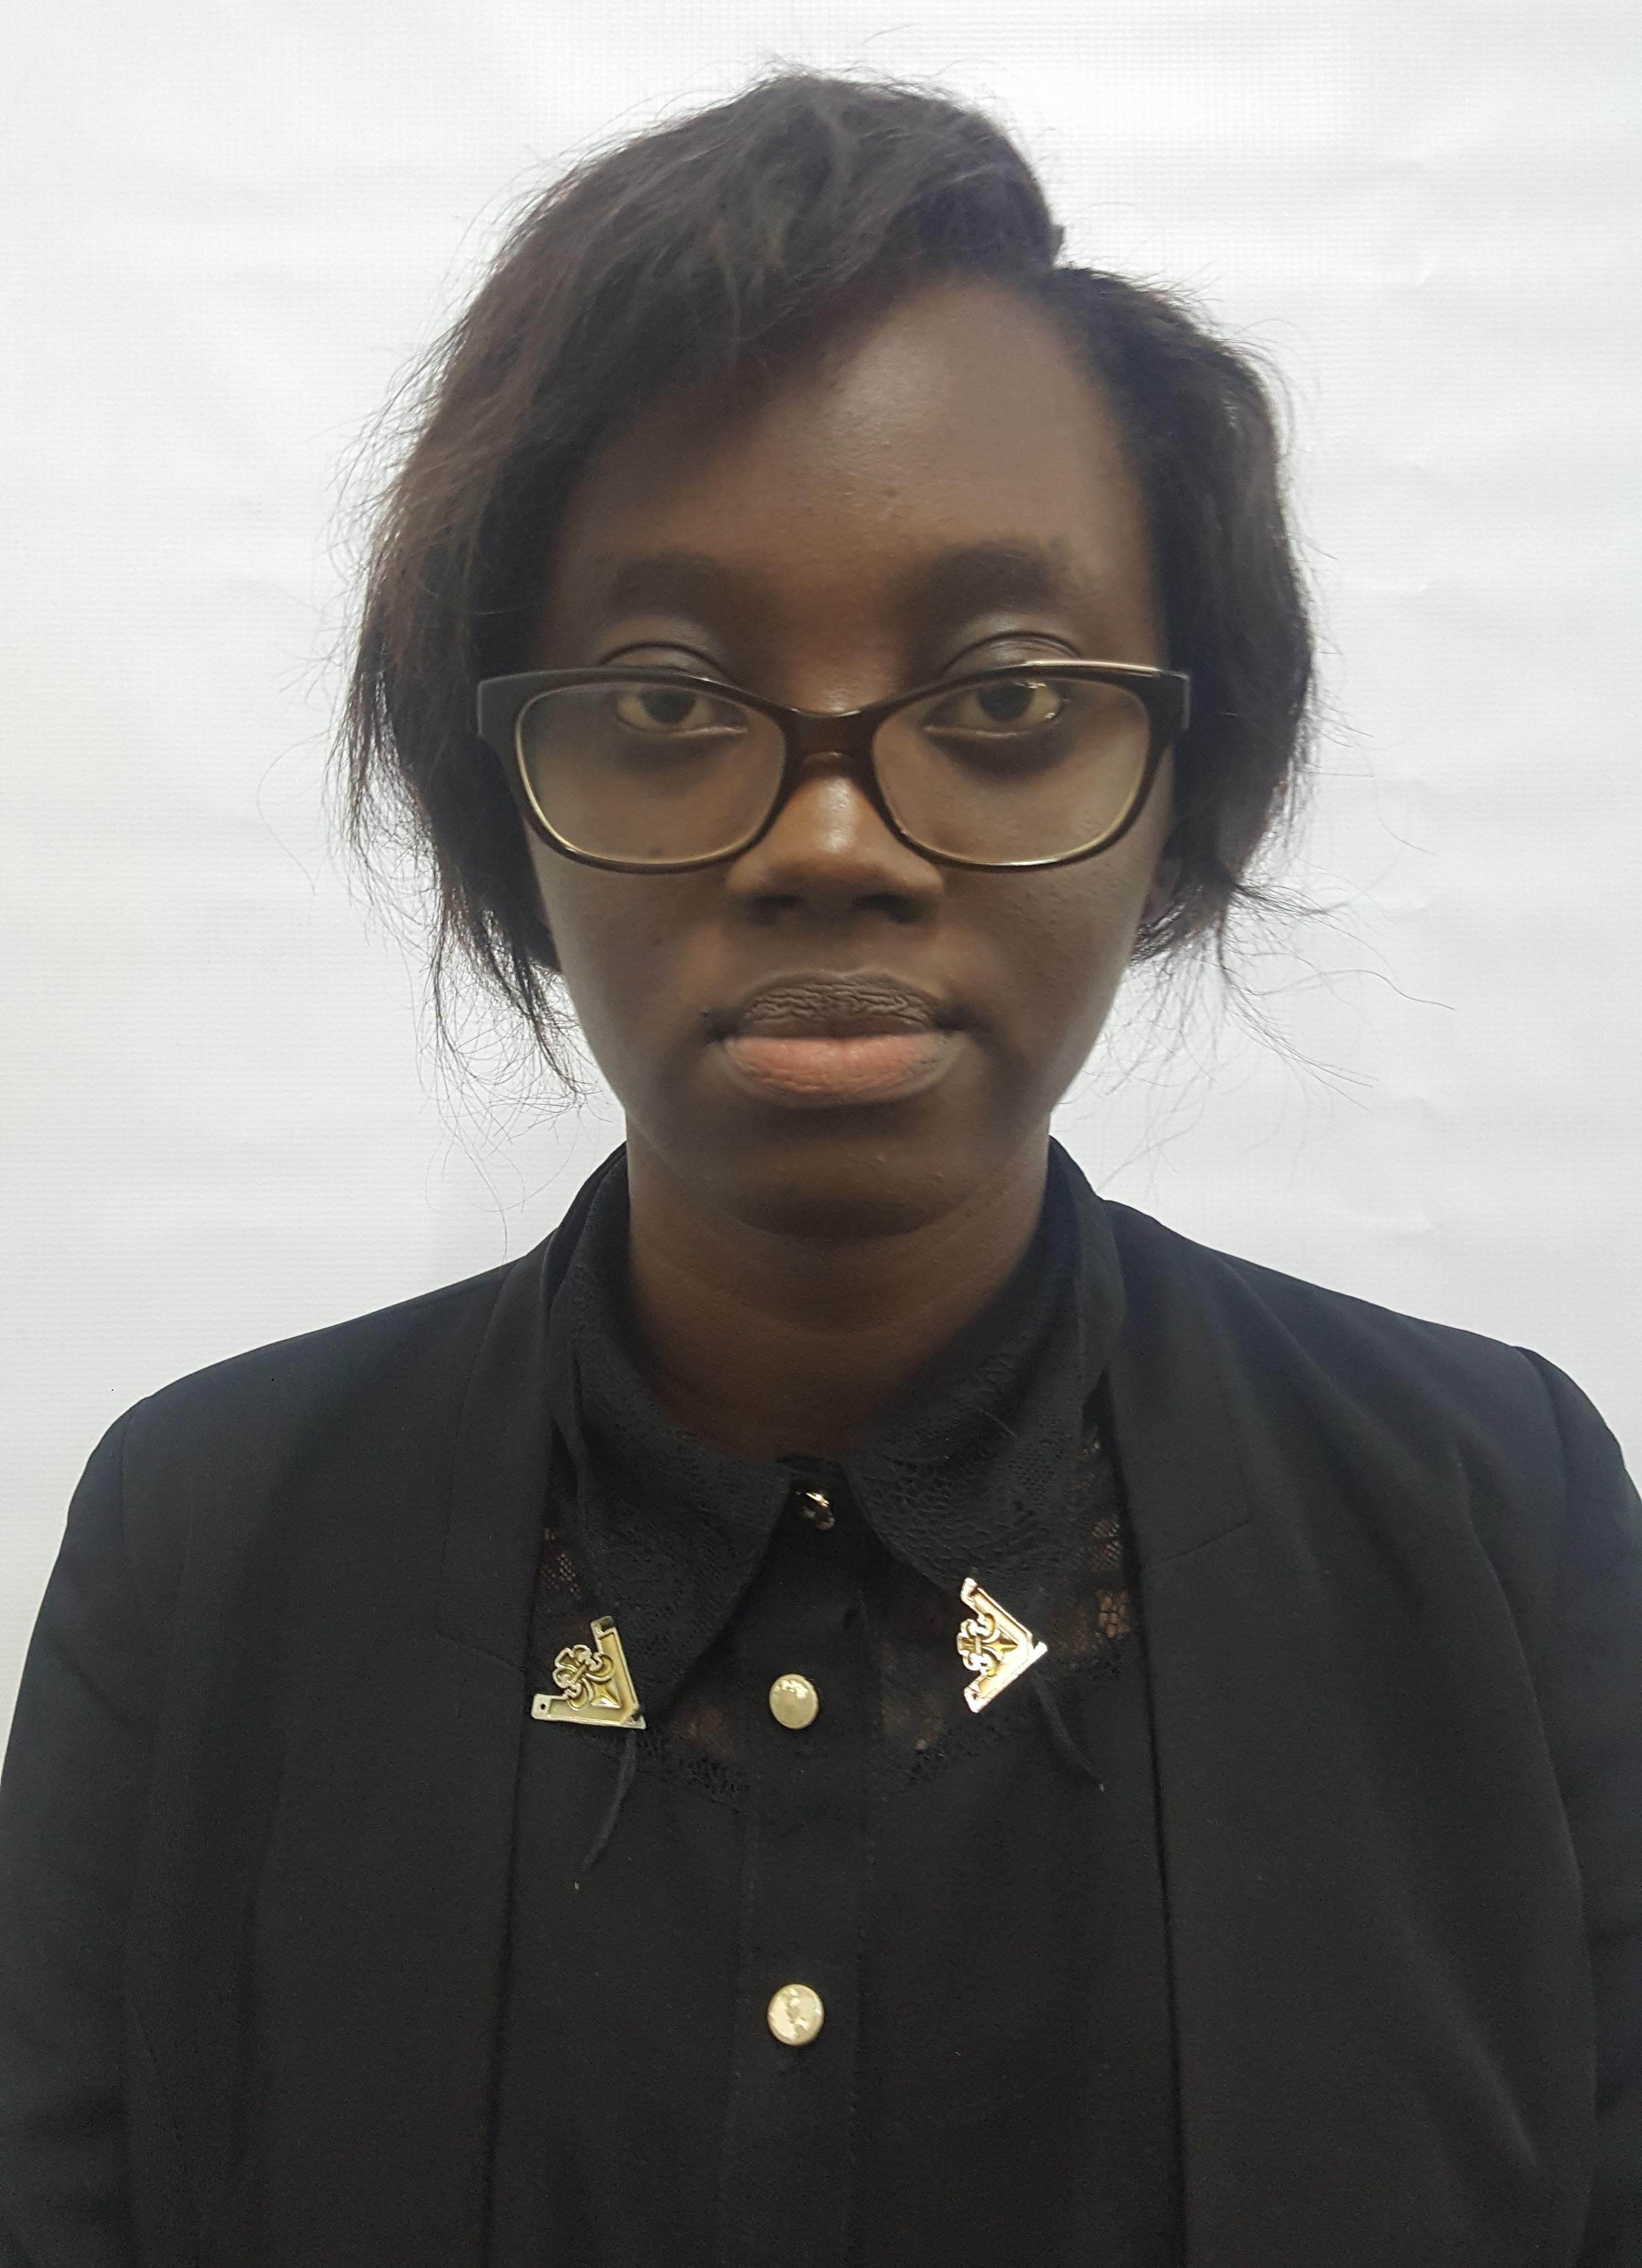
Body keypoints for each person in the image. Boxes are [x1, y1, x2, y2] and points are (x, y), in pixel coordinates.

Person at [1, 69, 1637, 2268]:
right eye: (670, 703)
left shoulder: (1496, 1523)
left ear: (1184, 781)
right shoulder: (204, 1553)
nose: (832, 841)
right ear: (506, 797)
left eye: (1008, 695)